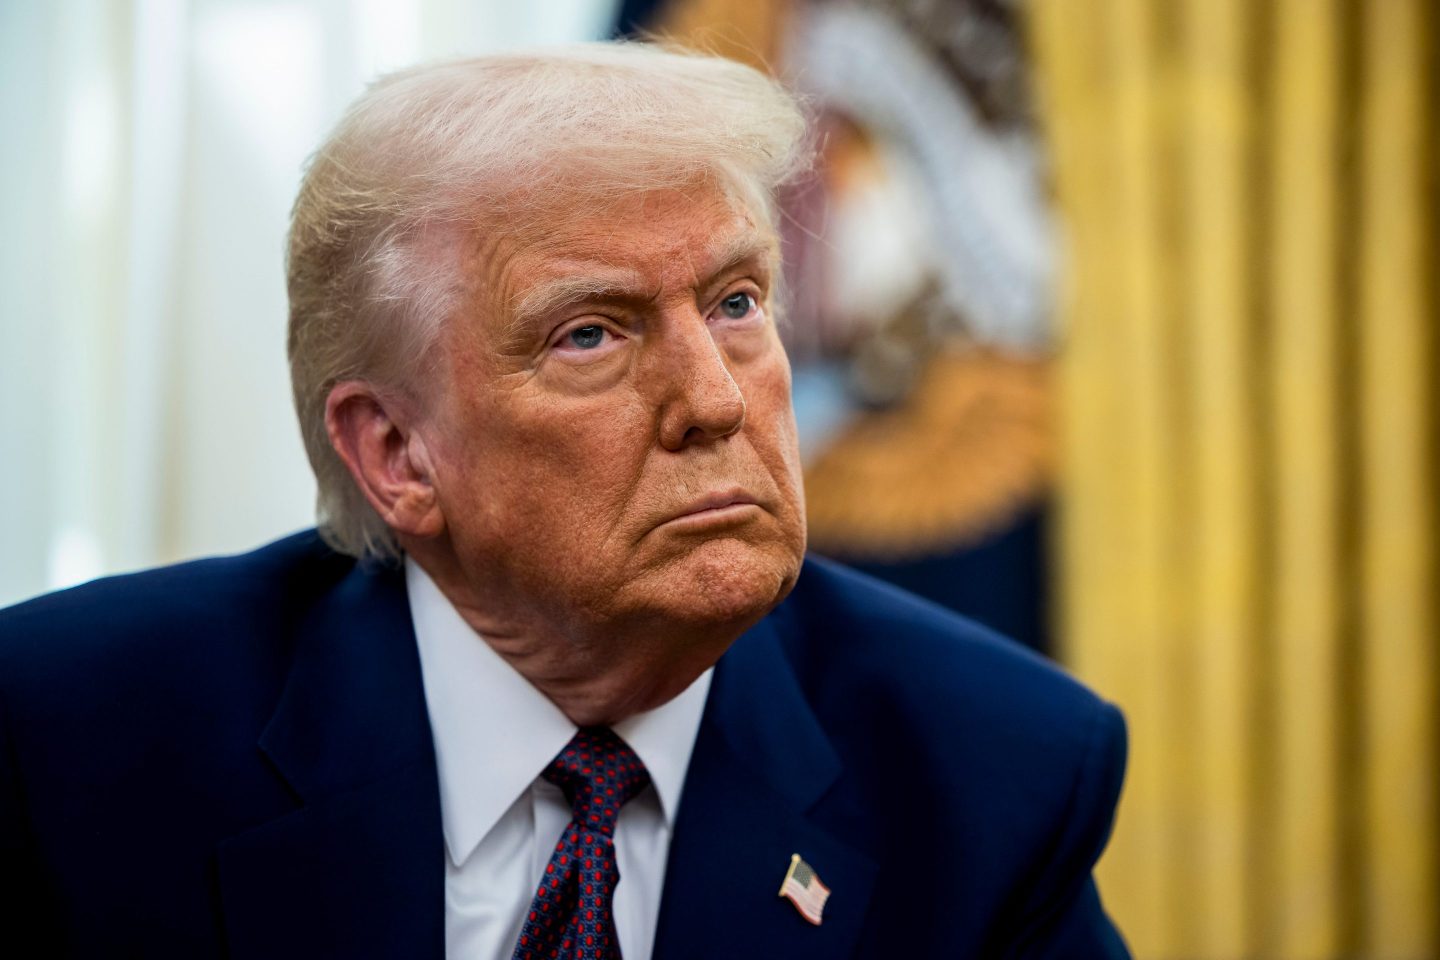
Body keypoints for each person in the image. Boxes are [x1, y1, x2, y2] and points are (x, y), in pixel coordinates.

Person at [0, 44, 1129, 959]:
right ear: (395, 452)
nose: (713, 399)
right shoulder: (70, 741)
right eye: (590, 333)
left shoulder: (990, 775)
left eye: (737, 302)